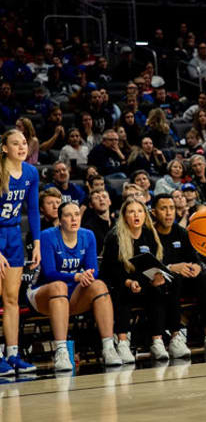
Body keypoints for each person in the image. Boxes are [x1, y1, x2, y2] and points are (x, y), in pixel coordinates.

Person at [27, 202, 122, 370]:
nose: (74, 218)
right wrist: (77, 276)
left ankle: (108, 347)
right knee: (59, 286)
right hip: (43, 293)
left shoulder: (88, 235)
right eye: (68, 215)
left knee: (99, 285)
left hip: (73, 295)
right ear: (60, 219)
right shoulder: (47, 235)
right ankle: (61, 351)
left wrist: (87, 276)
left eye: (77, 214)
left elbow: (93, 270)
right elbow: (49, 273)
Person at [100, 198, 188, 362]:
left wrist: (156, 277)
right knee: (122, 293)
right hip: (120, 283)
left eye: (139, 211)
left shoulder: (149, 234)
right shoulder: (115, 236)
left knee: (167, 285)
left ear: (145, 215)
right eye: (131, 212)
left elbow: (155, 263)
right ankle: (123, 342)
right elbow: (110, 270)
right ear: (124, 216)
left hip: (144, 282)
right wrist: (128, 282)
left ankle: (160, 340)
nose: (136, 215)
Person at [151, 194, 206, 355]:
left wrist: (197, 267)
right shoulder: (149, 234)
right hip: (161, 284)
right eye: (163, 209)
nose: (169, 213)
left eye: (171, 208)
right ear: (153, 212)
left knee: (203, 278)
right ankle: (175, 337)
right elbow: (149, 266)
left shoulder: (181, 232)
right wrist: (170, 267)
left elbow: (195, 259)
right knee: (174, 279)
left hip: (185, 283)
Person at [0, 129, 41, 375]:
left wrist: (36, 243)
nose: (21, 147)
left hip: (14, 235)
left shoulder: (31, 172)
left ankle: (13, 353)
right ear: (4, 148)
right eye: (15, 143)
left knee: (12, 299)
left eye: (24, 143)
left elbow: (33, 210)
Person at [82, 188, 115, 254]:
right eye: (96, 198)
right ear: (91, 205)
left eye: (104, 196)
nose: (101, 199)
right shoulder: (88, 228)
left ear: (109, 201)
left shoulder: (119, 223)